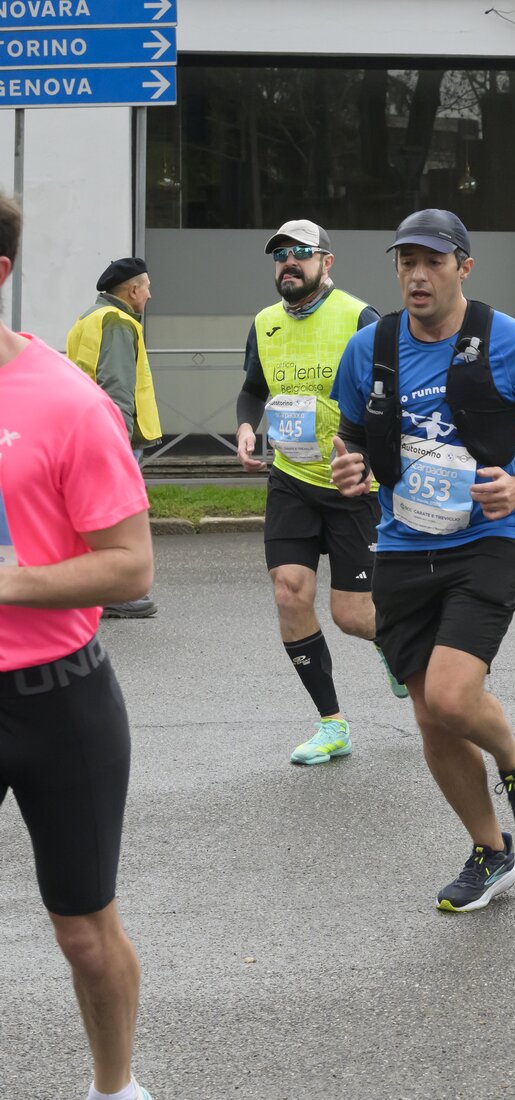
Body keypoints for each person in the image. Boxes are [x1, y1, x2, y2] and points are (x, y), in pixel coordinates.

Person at [329, 209, 515, 911]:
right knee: (431, 719)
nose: (417, 275)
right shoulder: (371, 347)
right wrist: (350, 467)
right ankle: (491, 851)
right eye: (406, 261)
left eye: (433, 262)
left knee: (450, 696)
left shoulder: (511, 342)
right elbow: (353, 436)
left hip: (487, 541)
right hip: (403, 544)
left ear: (463, 268)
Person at [0, 193, 159, 1100]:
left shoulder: (66, 402)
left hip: (56, 701)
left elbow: (130, 566)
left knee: (83, 932)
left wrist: (8, 582)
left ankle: (115, 1087)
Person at [233, 219, 397, 764]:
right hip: (292, 479)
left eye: (301, 252)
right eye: (280, 254)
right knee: (289, 593)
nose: (288, 262)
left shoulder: (359, 317)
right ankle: (332, 724)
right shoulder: (264, 323)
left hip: (353, 485)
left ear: (326, 262)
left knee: (353, 615)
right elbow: (253, 389)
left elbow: (391, 395)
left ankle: (394, 640)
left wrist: (372, 458)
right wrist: (246, 426)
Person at [65, 257, 160, 620]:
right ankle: (111, 593)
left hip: (86, 430)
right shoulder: (118, 322)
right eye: (146, 287)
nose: (149, 295)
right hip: (112, 437)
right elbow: (116, 386)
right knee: (114, 521)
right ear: (132, 290)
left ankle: (89, 588)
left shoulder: (88, 318)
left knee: (94, 516)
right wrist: (116, 444)